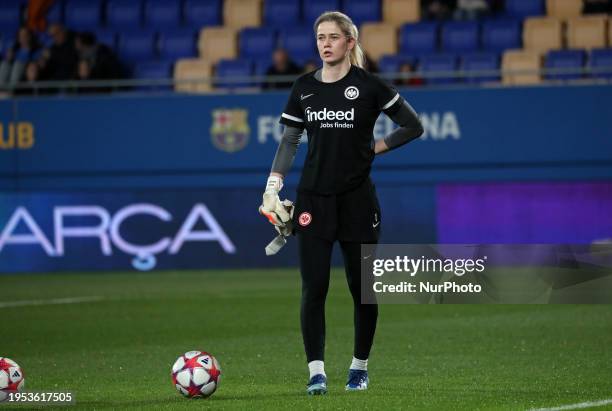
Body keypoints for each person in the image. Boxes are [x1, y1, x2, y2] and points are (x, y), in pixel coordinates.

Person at [259, 11, 423, 395]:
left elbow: (413, 125)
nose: (326, 43)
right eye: (320, 37)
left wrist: (375, 149)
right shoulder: (303, 87)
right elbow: (289, 141)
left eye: (334, 36)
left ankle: (358, 368)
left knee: (361, 287)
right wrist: (272, 184)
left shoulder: (370, 86)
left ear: (351, 42)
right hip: (312, 199)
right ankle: (316, 372)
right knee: (313, 288)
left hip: (357, 201)